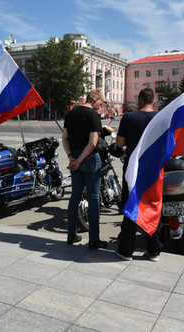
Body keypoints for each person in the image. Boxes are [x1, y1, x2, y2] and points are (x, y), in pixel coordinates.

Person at [114, 88, 162, 262]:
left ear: (139, 101)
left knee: (131, 206)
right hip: (155, 170)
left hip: (133, 169)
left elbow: (119, 143)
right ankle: (154, 250)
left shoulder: (129, 117)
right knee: (152, 207)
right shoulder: (161, 118)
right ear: (154, 102)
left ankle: (126, 251)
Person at [62, 89, 108, 250]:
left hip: (74, 158)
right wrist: (80, 161)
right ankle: (94, 239)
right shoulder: (93, 116)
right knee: (94, 198)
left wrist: (71, 158)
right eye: (100, 103)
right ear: (94, 99)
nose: (100, 107)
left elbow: (65, 138)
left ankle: (71, 234)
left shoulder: (71, 114)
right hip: (88, 160)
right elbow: (93, 143)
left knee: (75, 196)